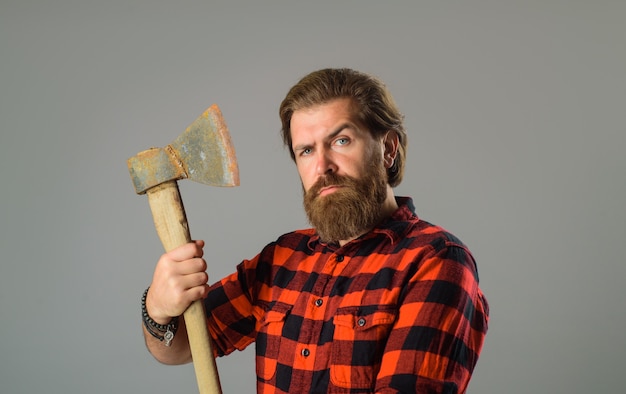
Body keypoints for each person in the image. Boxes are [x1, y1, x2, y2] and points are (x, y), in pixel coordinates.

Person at [141, 68, 489, 393]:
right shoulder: (282, 259)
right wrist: (158, 310)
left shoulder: (435, 261)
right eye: (306, 151)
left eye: (341, 141)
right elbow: (183, 345)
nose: (322, 166)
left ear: (388, 148)